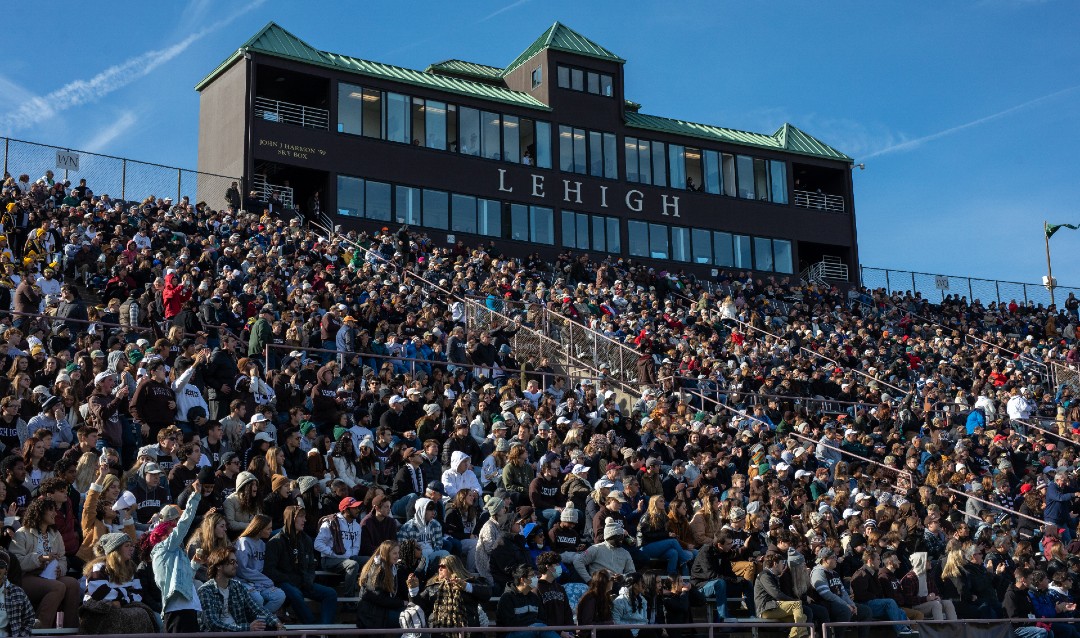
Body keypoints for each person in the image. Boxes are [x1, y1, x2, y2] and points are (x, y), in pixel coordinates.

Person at [10, 497, 79, 629]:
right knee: (58, 587)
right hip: (26, 577)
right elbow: (15, 562)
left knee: (73, 583)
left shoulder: (55, 533)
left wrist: (60, 569)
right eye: (51, 510)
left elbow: (63, 558)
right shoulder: (22, 533)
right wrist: (40, 558)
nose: (55, 513)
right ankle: (39, 627)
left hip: (50, 576)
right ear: (40, 512)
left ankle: (70, 629)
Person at [144, 482, 203, 633]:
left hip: (187, 607)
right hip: (178, 611)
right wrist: (195, 496)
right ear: (164, 532)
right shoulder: (164, 547)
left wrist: (194, 565)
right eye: (175, 525)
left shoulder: (174, 551)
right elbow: (185, 524)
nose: (178, 528)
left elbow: (185, 579)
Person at [263, 505, 337, 624]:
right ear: (291, 518)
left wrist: (309, 579)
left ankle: (325, 628)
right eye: (301, 517)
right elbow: (269, 570)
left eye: (304, 517)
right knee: (295, 594)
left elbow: (311, 566)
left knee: (330, 593)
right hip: (284, 583)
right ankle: (313, 628)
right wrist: (289, 579)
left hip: (303, 582)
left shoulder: (306, 539)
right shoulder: (276, 541)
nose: (305, 520)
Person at [80, 532, 158, 634]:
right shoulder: (100, 568)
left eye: (131, 546)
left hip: (123, 606)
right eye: (127, 546)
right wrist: (125, 593)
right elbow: (99, 593)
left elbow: (138, 593)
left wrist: (121, 601)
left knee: (143, 614)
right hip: (100, 609)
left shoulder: (131, 569)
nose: (131, 549)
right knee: (121, 617)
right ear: (115, 550)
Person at [197, 546, 282, 632]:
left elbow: (256, 609)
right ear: (219, 565)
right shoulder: (205, 591)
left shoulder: (238, 586)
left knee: (271, 627)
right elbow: (213, 624)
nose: (236, 565)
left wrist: (276, 622)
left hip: (240, 633)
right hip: (217, 635)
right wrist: (247, 628)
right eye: (232, 562)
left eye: (236, 562)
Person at [412, 554, 491, 636]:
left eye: (443, 566)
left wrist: (465, 586)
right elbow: (419, 605)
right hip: (441, 633)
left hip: (467, 632)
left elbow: (487, 594)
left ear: (453, 568)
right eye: (439, 566)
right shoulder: (432, 587)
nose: (439, 569)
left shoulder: (469, 583)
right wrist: (413, 590)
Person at [849, 549, 916, 637]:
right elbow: (860, 595)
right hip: (864, 605)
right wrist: (875, 597)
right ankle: (901, 630)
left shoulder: (873, 573)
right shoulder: (861, 574)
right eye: (878, 559)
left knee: (900, 611)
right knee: (890, 602)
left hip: (873, 602)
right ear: (870, 561)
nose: (880, 562)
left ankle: (907, 630)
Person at [357, 540, 414, 630]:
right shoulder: (377, 569)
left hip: (381, 610)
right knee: (409, 618)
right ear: (386, 554)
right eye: (394, 553)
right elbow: (378, 597)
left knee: (412, 613)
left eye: (398, 553)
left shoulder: (392, 568)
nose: (398, 556)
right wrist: (401, 602)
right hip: (371, 614)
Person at [234, 514, 286, 613]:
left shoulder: (262, 544)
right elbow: (241, 570)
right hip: (244, 582)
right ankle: (254, 623)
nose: (271, 531)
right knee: (258, 599)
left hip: (259, 583)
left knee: (280, 595)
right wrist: (264, 580)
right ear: (259, 528)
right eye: (268, 529)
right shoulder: (244, 542)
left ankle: (261, 619)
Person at [315, 496, 364, 597]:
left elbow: (356, 547)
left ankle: (367, 596)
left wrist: (349, 555)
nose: (358, 510)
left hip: (348, 558)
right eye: (354, 508)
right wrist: (334, 553)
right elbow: (317, 544)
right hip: (329, 559)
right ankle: (349, 599)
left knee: (372, 561)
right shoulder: (330, 522)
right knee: (353, 565)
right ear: (346, 510)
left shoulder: (357, 526)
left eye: (358, 507)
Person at [754, 552, 809, 638]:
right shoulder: (764, 575)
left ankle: (794, 635)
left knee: (802, 617)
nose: (783, 566)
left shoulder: (773, 576)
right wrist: (794, 600)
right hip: (766, 609)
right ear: (775, 564)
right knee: (797, 605)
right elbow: (777, 594)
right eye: (782, 563)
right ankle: (800, 635)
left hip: (774, 607)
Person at [498, 563, 560, 638]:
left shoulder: (534, 597)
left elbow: (542, 619)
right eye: (532, 575)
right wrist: (532, 624)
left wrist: (534, 625)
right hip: (511, 634)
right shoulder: (507, 597)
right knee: (540, 628)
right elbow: (509, 623)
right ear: (523, 579)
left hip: (534, 631)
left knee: (541, 628)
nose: (536, 578)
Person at [0, 551, 36, 638]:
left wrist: (20, 636)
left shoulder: (17, 592)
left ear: (6, 569)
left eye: (1, 565)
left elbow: (30, 619)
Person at [576, 569, 617, 638]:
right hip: (589, 634)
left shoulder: (605, 598)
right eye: (611, 579)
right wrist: (608, 624)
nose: (613, 582)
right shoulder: (590, 598)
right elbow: (587, 623)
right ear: (604, 581)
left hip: (601, 631)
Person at [612, 572, 651, 637]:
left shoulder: (643, 600)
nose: (645, 585)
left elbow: (644, 620)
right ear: (635, 585)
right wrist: (634, 628)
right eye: (642, 582)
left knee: (649, 632)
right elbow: (616, 622)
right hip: (626, 634)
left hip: (640, 633)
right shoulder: (619, 601)